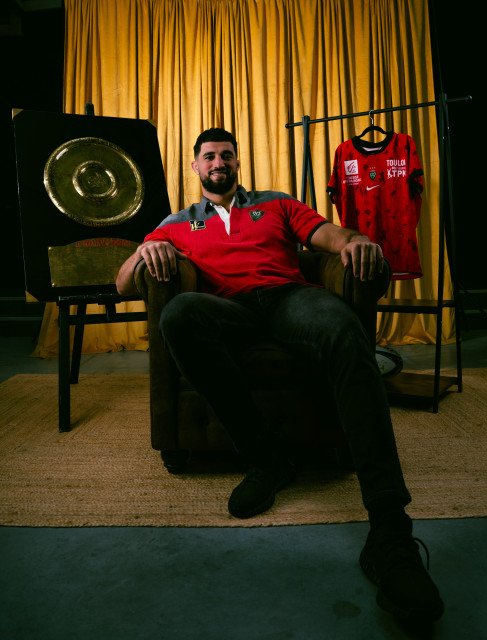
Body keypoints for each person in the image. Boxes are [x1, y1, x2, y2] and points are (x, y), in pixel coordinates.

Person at [116, 127, 444, 624]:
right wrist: (144, 254)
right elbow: (122, 285)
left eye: (227, 155)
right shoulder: (177, 222)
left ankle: (390, 530)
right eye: (209, 156)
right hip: (230, 312)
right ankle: (266, 459)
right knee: (179, 313)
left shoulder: (276, 203)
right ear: (195, 166)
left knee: (343, 327)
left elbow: (328, 235)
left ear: (237, 162)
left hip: (291, 300)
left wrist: (355, 240)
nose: (218, 162)